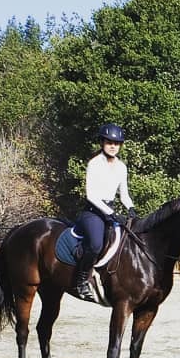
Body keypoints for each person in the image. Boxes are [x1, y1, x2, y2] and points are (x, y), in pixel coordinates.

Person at [69, 123, 137, 302]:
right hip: (93, 212)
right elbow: (91, 195)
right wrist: (111, 213)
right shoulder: (94, 164)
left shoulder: (122, 167)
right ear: (102, 142)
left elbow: (124, 195)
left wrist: (131, 208)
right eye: (109, 142)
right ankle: (82, 280)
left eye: (117, 143)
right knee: (96, 244)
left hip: (110, 211)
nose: (113, 146)